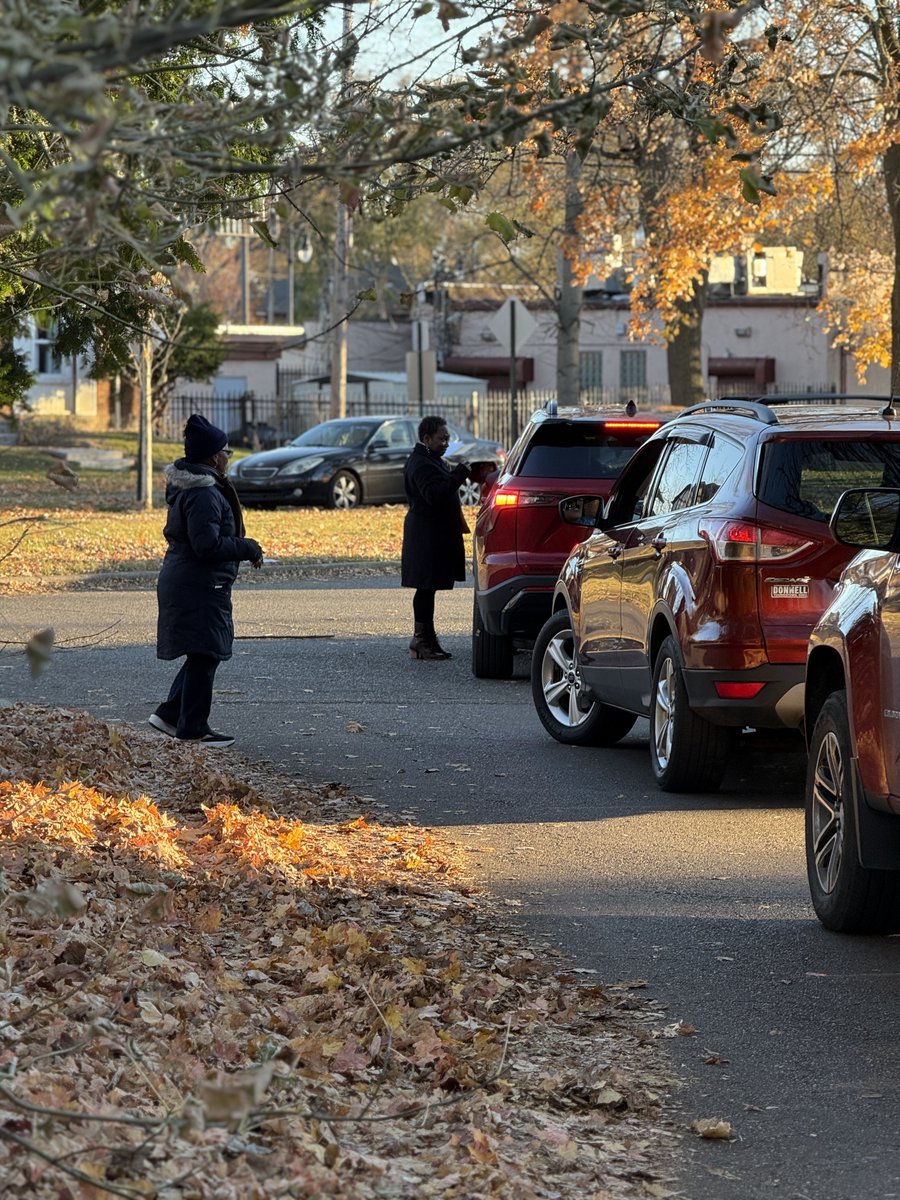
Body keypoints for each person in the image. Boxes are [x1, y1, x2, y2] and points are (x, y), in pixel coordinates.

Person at [148, 414, 264, 747]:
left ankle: (171, 714)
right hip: (198, 584)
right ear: (214, 457)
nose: (230, 456)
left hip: (193, 581)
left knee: (204, 651)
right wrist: (247, 546)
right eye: (227, 451)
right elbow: (206, 545)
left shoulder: (201, 487)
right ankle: (193, 728)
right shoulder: (203, 493)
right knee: (206, 652)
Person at [401, 415, 471, 660]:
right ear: (426, 438)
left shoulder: (430, 459)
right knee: (425, 587)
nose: (446, 443)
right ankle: (421, 640)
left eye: (447, 439)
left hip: (433, 534)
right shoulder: (421, 463)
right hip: (425, 536)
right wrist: (459, 475)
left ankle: (427, 639)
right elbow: (434, 495)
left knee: (428, 588)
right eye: (442, 439)